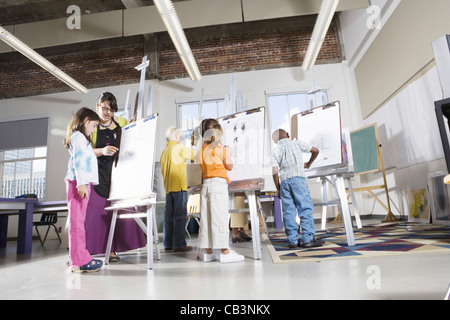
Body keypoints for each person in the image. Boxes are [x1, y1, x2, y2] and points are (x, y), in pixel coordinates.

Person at [85, 92, 146, 262]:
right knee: (97, 214)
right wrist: (102, 151)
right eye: (105, 108)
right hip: (98, 174)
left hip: (119, 173)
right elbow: (84, 152)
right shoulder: (91, 125)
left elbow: (131, 139)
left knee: (118, 215)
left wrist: (134, 128)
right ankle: (94, 250)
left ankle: (113, 251)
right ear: (98, 106)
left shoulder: (121, 122)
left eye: (111, 110)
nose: (108, 113)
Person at [196, 119, 244, 263]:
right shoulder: (220, 149)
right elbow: (229, 166)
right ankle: (224, 252)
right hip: (218, 186)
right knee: (220, 219)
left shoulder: (201, 151)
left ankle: (208, 252)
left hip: (206, 186)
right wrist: (228, 153)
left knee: (206, 220)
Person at [64, 107, 103, 273]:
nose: (94, 130)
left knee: (78, 222)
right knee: (77, 224)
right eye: (94, 126)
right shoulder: (79, 137)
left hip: (81, 182)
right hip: (78, 183)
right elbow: (78, 160)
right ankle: (80, 260)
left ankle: (76, 258)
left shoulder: (81, 138)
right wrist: (81, 183)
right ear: (86, 121)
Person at [271, 129, 325, 249]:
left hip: (284, 183)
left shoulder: (275, 150)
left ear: (275, 141)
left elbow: (274, 171)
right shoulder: (296, 143)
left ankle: (293, 241)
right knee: (305, 209)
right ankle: (308, 239)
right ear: (288, 135)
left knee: (288, 212)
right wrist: (309, 163)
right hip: (298, 180)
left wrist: (278, 188)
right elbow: (316, 151)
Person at [160, 126, 195, 252]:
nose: (181, 138)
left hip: (168, 189)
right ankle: (179, 244)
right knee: (180, 216)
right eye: (180, 136)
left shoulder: (164, 152)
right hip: (179, 187)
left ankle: (168, 244)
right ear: (176, 137)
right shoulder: (179, 148)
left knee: (169, 217)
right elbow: (195, 155)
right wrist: (188, 145)